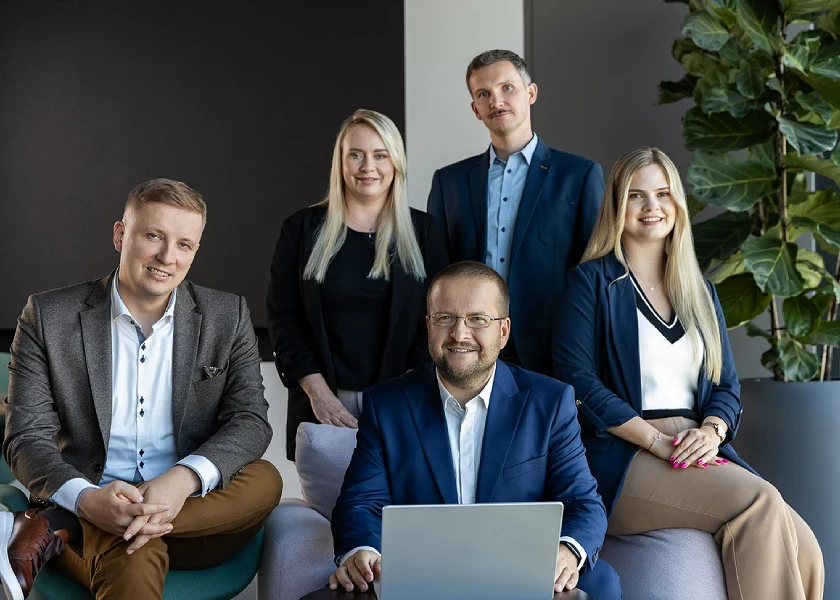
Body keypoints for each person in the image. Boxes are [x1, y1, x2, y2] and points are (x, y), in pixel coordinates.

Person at [553, 147, 824, 600]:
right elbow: (578, 383)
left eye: (663, 194)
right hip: (625, 454)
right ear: (617, 205)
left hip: (694, 442)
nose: (652, 206)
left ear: (677, 203)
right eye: (636, 195)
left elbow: (726, 386)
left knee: (807, 548)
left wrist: (713, 430)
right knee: (758, 503)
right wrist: (655, 440)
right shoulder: (590, 283)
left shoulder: (700, 291)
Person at [2, 179, 282, 600]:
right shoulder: (48, 316)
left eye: (184, 244)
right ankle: (85, 520)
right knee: (133, 557)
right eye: (154, 236)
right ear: (120, 235)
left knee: (265, 479)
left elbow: (250, 421)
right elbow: (26, 438)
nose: (168, 257)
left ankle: (54, 526)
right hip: (91, 497)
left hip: (195, 519)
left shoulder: (227, 315)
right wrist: (87, 500)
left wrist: (182, 481)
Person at [329, 261, 621, 600]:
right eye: (445, 318)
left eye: (478, 319)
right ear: (429, 326)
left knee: (601, 583)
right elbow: (361, 501)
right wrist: (363, 550)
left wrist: (567, 551)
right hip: (423, 569)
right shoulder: (386, 405)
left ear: (503, 331)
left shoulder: (550, 402)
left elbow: (582, 500)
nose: (459, 334)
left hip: (523, 566)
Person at [267, 109, 449, 460]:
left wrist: (406, 390)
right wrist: (319, 394)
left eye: (380, 155)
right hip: (323, 404)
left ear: (395, 162)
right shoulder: (300, 230)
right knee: (329, 497)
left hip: (403, 402)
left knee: (396, 495)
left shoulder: (425, 232)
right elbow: (283, 320)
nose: (368, 167)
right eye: (356, 155)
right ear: (340, 161)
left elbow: (438, 319)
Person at [427, 49, 603, 376]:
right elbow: (438, 271)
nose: (496, 101)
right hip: (469, 348)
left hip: (552, 349)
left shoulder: (578, 176)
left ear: (531, 93)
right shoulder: (448, 182)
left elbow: (592, 271)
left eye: (507, 88)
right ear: (475, 109)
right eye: (484, 94)